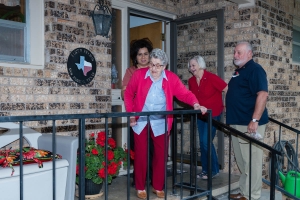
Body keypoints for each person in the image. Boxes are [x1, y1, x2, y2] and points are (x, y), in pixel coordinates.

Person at [124, 48, 207, 199]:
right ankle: (140, 187)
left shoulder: (171, 78)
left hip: (161, 121)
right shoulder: (138, 75)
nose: (153, 68)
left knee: (161, 155)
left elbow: (184, 94)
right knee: (141, 154)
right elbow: (128, 94)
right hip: (141, 119)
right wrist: (131, 115)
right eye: (151, 64)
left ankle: (157, 186)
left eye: (157, 65)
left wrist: (195, 104)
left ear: (164, 66)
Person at [226, 41, 268, 200]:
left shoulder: (255, 70)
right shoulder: (239, 71)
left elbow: (262, 95)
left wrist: (255, 119)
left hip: (249, 124)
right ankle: (244, 191)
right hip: (237, 123)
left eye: (239, 52)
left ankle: (252, 195)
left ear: (249, 54)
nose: (235, 55)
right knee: (243, 161)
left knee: (252, 161)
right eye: (235, 52)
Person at [187, 55, 228, 180]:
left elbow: (226, 88)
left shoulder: (211, 78)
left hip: (213, 114)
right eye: (190, 66)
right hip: (200, 115)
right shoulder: (191, 81)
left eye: (193, 65)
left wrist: (226, 105)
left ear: (200, 65)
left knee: (205, 141)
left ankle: (213, 170)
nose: (191, 68)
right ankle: (206, 170)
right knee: (203, 142)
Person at [121, 38, 153, 187]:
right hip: (136, 115)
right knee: (137, 149)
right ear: (135, 56)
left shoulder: (155, 69)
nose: (143, 57)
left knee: (152, 148)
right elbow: (125, 92)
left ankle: (153, 177)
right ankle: (139, 178)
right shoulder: (131, 71)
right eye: (140, 54)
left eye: (146, 53)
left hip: (154, 115)